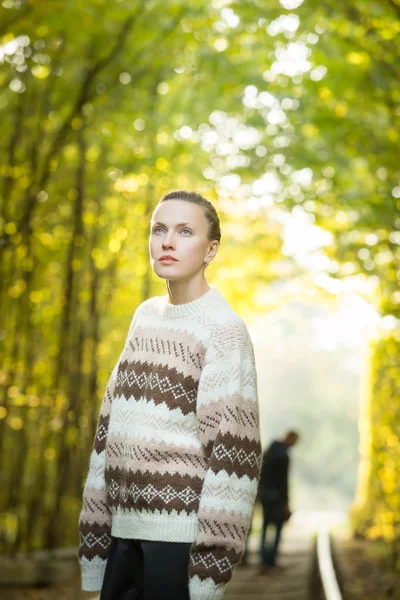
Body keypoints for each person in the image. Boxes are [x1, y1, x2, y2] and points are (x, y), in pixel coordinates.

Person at [78, 190, 262, 600]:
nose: (167, 242)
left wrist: (208, 575)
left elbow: (234, 459)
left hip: (178, 544)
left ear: (210, 249)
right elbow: (108, 432)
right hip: (121, 538)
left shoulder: (223, 330)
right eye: (159, 229)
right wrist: (94, 547)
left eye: (184, 231)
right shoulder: (144, 317)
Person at [258, 430, 299, 574]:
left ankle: (263, 560)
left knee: (265, 527)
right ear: (291, 439)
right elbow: (283, 482)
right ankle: (272, 561)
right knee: (277, 529)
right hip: (278, 498)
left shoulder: (270, 450)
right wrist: (286, 503)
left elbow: (261, 474)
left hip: (264, 496)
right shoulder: (284, 456)